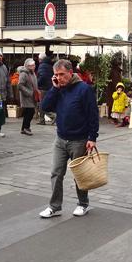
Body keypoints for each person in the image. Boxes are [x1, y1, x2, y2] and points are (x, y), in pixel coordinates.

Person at [39, 59, 99, 218]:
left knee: (79, 174)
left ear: (70, 73)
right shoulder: (58, 89)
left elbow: (93, 115)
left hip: (79, 140)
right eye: (56, 75)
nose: (59, 78)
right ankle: (54, 206)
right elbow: (45, 107)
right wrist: (54, 88)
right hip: (61, 139)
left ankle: (83, 203)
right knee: (56, 173)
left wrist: (92, 137)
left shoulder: (84, 89)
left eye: (62, 74)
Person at [17, 58, 40, 136]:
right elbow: (20, 85)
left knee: (28, 112)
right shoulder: (24, 74)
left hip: (32, 95)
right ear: (28, 66)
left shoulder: (32, 73)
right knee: (30, 112)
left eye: (34, 65)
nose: (34, 66)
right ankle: (26, 128)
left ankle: (24, 128)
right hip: (27, 96)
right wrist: (29, 92)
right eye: (32, 65)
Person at [36, 53, 55, 125]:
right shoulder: (50, 64)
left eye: (38, 59)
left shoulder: (42, 65)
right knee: (45, 103)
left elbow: (42, 76)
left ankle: (52, 116)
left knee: (42, 104)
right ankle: (42, 119)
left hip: (43, 87)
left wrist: (37, 84)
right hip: (50, 86)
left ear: (40, 59)